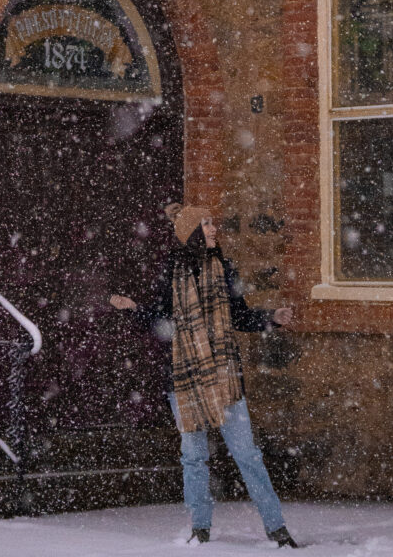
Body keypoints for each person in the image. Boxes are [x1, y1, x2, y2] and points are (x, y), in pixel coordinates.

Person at [111, 203, 299, 547]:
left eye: (212, 223)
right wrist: (134, 310)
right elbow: (161, 321)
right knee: (194, 457)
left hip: (225, 376)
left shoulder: (226, 269)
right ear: (192, 233)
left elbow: (239, 316)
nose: (214, 229)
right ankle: (200, 529)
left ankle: (277, 528)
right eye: (207, 224)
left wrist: (271, 318)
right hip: (185, 379)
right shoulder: (171, 273)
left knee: (247, 455)